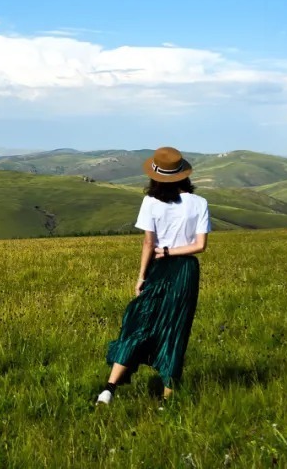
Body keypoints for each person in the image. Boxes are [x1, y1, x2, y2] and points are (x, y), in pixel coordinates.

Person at [97, 146, 210, 405]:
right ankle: (167, 400)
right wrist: (173, 251)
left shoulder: (150, 202)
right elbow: (200, 245)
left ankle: (109, 388)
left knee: (138, 324)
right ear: (183, 174)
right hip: (186, 272)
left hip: (159, 267)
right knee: (176, 329)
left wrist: (142, 276)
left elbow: (149, 243)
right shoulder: (200, 203)